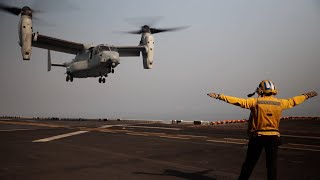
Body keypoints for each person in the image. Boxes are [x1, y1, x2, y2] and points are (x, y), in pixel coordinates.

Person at [207, 80, 317, 180]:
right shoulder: (280, 103)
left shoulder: (255, 102)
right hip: (274, 137)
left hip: (258, 137)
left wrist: (219, 96)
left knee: (249, 164)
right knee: (272, 166)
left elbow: (237, 101)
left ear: (261, 90)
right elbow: (293, 101)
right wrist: (306, 96)